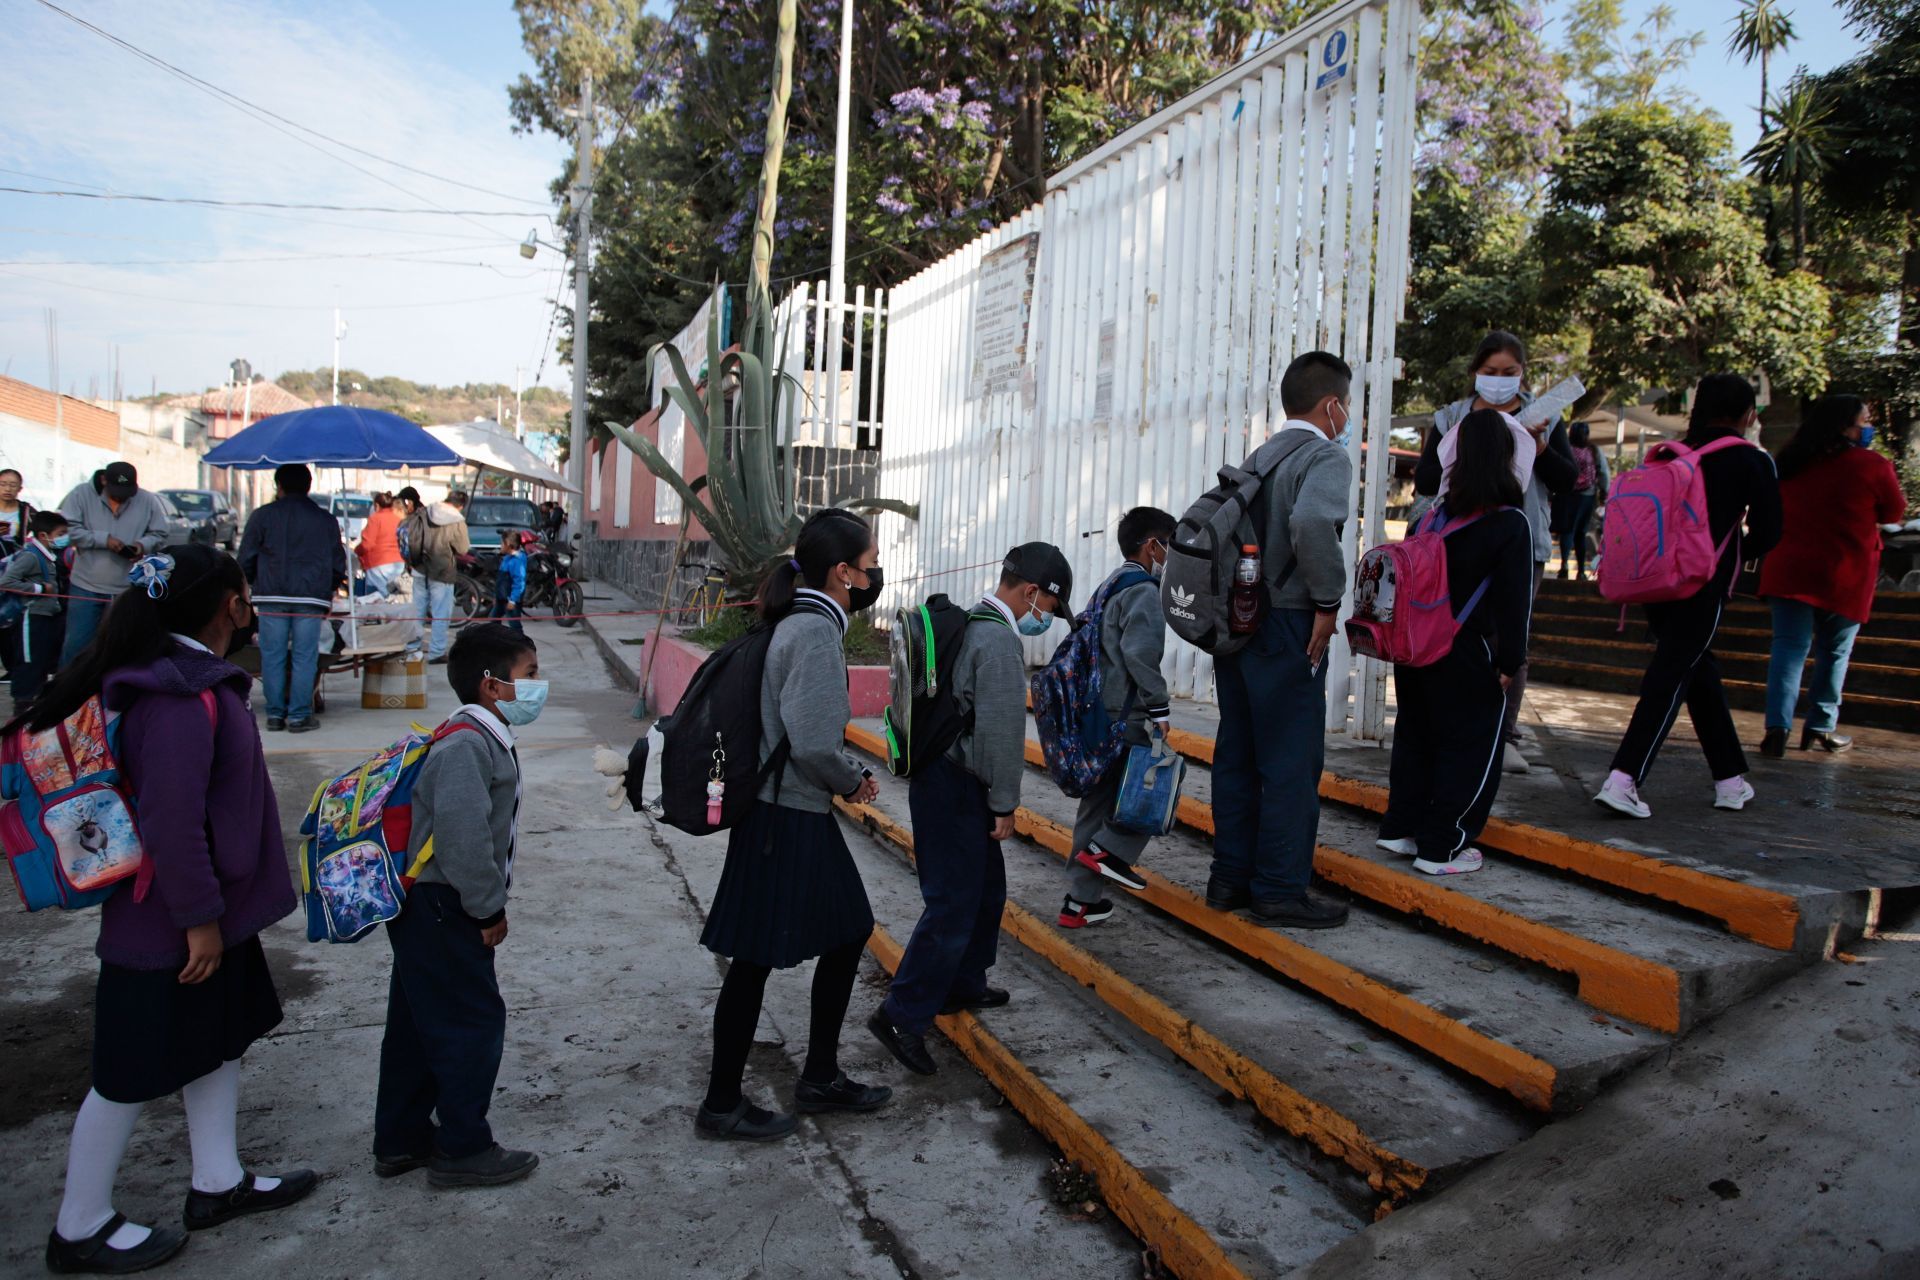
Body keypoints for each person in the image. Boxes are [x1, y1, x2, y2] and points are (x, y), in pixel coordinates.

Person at [19, 544, 316, 1274]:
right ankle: (79, 1224)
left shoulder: (193, 684)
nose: (250, 607)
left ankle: (217, 1182)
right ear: (227, 607)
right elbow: (172, 822)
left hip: (208, 912)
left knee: (216, 1043)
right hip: (171, 924)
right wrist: (199, 919)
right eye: (244, 595)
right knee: (126, 1073)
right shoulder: (179, 699)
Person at [697, 509, 890, 1140]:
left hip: (782, 813)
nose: (873, 576)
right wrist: (852, 780)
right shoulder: (813, 632)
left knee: (834, 934)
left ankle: (817, 1077)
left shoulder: (801, 621)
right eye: (868, 566)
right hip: (789, 815)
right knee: (763, 956)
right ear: (842, 573)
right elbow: (811, 742)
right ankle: (730, 1102)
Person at [872, 541, 1073, 1074]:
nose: (1046, 620)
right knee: (953, 905)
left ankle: (962, 984)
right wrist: (1005, 803)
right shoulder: (998, 644)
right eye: (1049, 610)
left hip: (942, 778)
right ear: (1032, 593)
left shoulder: (968, 622)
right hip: (960, 787)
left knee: (985, 891)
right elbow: (1002, 736)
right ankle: (901, 1014)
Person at [374, 622, 543, 1189]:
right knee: (471, 1022)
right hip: (445, 905)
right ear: (492, 686)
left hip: (432, 905)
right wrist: (487, 908)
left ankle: (400, 1139)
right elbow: (463, 838)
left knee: (419, 1022)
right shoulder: (467, 744)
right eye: (530, 676)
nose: (538, 687)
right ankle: (463, 1147)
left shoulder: (477, 735)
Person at [1206, 351, 1353, 930]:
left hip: (1237, 621)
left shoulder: (1259, 455)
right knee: (1291, 759)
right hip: (1288, 621)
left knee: (1238, 754)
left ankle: (1229, 879)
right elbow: (1314, 524)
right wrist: (1327, 600)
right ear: (1332, 405)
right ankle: (1279, 890)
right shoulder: (1324, 455)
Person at [1595, 374, 1782, 819]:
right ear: (1748, 415)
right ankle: (1624, 778)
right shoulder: (1751, 460)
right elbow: (1771, 530)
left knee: (1697, 672)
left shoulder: (1671, 454)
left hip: (1654, 581)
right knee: (1673, 675)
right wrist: (1735, 552)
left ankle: (1730, 781)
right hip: (1702, 583)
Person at [1377, 411, 1536, 875]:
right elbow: (1514, 605)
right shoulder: (1510, 524)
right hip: (1464, 649)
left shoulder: (1428, 518)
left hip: (1414, 649)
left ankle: (1401, 829)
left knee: (1417, 736)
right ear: (1507, 460)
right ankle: (1443, 847)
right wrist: (1511, 661)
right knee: (1467, 746)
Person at [1414, 333, 1576, 774]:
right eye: (1490, 373)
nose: (1500, 382)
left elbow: (1568, 478)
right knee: (1452, 633)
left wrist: (1537, 447)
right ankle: (1449, 724)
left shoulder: (1545, 417)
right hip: (1454, 541)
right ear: (1474, 373)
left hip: (1520, 540)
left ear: (1523, 373)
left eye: (1510, 373)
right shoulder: (1452, 417)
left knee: (1510, 638)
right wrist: (1471, 453)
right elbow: (1425, 478)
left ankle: (1502, 734)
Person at [1757, 394, 1907, 757]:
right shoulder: (1872, 465)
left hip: (1790, 568)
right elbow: (1894, 511)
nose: (1868, 427)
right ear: (1845, 427)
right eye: (1864, 421)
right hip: (1844, 572)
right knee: (1835, 652)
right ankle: (1821, 726)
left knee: (1788, 649)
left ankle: (1776, 729)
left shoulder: (1789, 463)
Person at [1061, 508, 1174, 928]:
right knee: (1156, 789)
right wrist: (1159, 707)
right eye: (1170, 545)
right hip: (1126, 717)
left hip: (1097, 711)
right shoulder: (1143, 590)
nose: (1171, 555)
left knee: (1096, 806)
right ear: (1152, 546)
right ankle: (1110, 850)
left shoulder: (1110, 583)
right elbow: (1140, 654)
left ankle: (1079, 903)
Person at [238, 464, 347, 734]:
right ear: (309, 486)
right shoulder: (325, 520)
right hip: (311, 598)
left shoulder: (262, 516)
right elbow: (338, 563)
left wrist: (252, 584)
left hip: (271, 595)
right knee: (304, 657)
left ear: (279, 486)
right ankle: (299, 716)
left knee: (272, 657)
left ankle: (275, 715)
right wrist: (328, 590)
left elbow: (246, 558)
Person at [57, 461, 174, 666]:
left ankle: (113, 692)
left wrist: (141, 545)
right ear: (104, 481)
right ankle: (68, 693)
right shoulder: (80, 495)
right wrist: (104, 540)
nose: (121, 496)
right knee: (77, 645)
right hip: (86, 585)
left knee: (123, 646)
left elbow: (160, 534)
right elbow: (69, 531)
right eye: (116, 491)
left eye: (127, 491)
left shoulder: (146, 500)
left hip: (128, 588)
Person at [2, 509, 71, 709]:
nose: (64, 538)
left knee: (41, 659)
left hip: (46, 616)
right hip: (31, 618)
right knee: (28, 660)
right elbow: (6, 582)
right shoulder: (31, 556)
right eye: (60, 534)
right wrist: (39, 588)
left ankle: (35, 700)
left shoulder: (48, 555)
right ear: (43, 536)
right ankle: (22, 702)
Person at [403, 489, 471, 664]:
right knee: (441, 614)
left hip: (419, 568)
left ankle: (412, 649)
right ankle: (436, 652)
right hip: (442, 572)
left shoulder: (425, 512)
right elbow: (463, 548)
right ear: (461, 505)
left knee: (417, 612)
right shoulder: (457, 520)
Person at [1556, 421, 1610, 581]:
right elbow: (1604, 473)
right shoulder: (1593, 450)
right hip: (1587, 496)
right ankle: (1580, 570)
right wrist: (1604, 492)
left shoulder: (1565, 448)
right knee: (1581, 532)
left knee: (1567, 531)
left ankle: (1564, 565)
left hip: (1566, 494)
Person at [356, 492, 406, 598]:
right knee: (392, 598)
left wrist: (357, 551)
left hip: (378, 565)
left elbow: (367, 544)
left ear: (377, 505)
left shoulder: (375, 519)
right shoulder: (398, 519)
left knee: (373, 600)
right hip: (398, 565)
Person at [489, 531, 529, 634]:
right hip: (501, 598)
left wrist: (513, 600)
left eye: (502, 543)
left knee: (515, 625)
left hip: (510, 600)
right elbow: (500, 581)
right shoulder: (506, 559)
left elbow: (519, 583)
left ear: (508, 544)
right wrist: (496, 596)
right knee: (493, 620)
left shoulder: (517, 561)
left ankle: (522, 645)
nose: (500, 546)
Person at [0, 467, 33, 553]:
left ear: (20, 489)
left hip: (14, 560)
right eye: (3, 484)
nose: (8, 489)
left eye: (13, 485)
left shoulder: (27, 511)